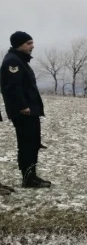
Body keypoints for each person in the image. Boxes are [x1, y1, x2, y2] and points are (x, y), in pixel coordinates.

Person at [1, 32, 51, 188]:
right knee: (27, 144)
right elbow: (12, 89)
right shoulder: (12, 62)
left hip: (31, 110)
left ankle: (31, 176)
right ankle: (28, 178)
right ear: (18, 44)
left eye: (32, 43)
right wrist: (23, 107)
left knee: (33, 143)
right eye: (28, 43)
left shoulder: (20, 61)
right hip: (24, 112)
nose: (32, 46)